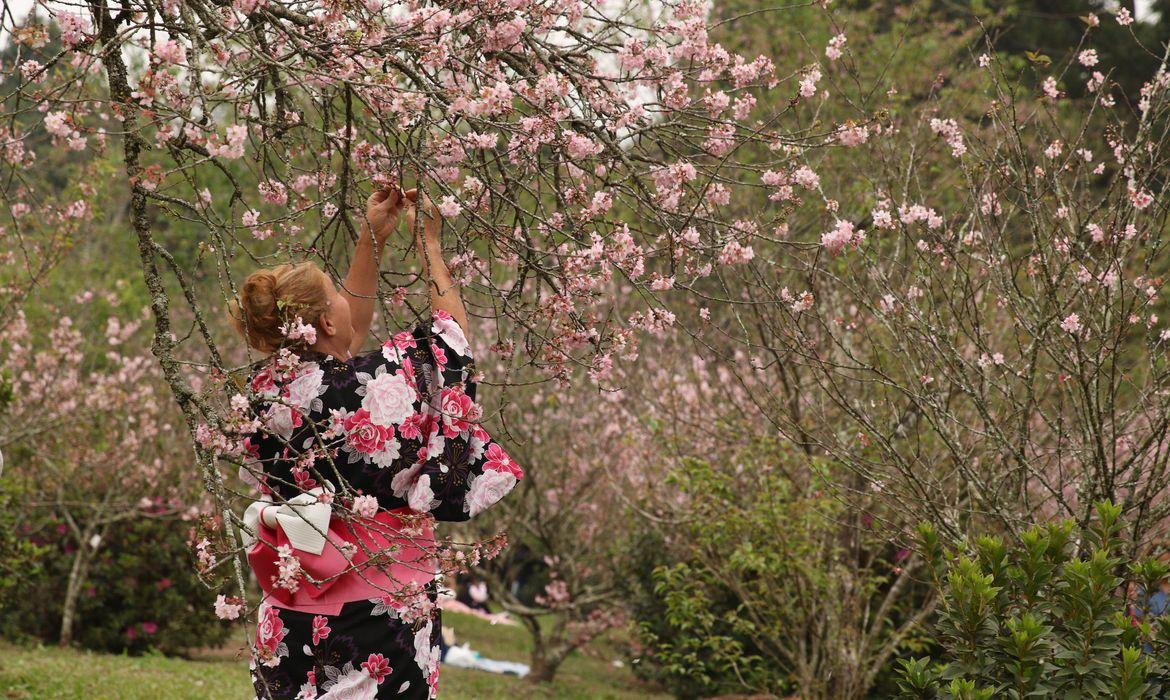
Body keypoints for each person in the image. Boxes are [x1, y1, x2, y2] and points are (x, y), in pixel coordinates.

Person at [229, 185, 524, 699]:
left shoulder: (262, 394)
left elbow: (342, 347)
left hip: (287, 613)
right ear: (322, 320)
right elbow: (451, 341)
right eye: (336, 296)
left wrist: (373, 236)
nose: (347, 301)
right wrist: (429, 243)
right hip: (378, 610)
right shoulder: (375, 385)